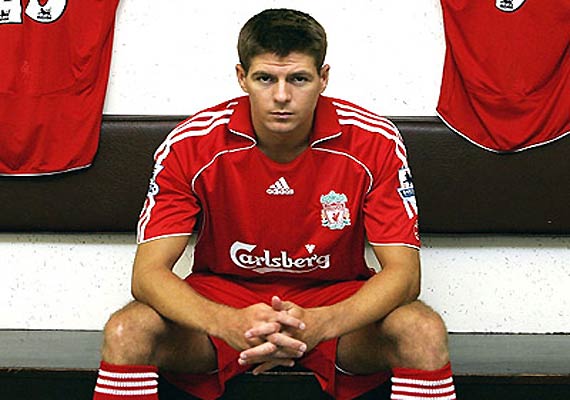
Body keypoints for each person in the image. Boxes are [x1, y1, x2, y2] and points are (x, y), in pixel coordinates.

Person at [93, 8, 456, 400]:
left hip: (334, 297)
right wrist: (228, 322)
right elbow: (147, 275)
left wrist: (322, 323)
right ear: (242, 78)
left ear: (323, 78)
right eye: (265, 78)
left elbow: (405, 275)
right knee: (127, 331)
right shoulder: (191, 144)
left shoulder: (374, 141)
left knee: (422, 331)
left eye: (298, 79)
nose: (282, 96)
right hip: (226, 296)